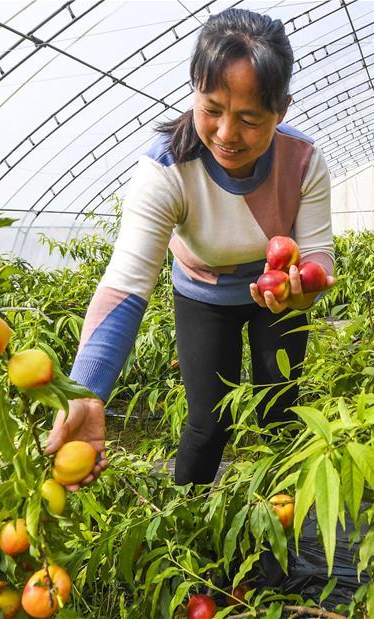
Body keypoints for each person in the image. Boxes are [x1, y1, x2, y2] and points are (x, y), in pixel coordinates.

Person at [44, 8, 335, 487]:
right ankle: (191, 526)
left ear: (280, 110)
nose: (226, 134)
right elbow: (126, 284)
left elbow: (318, 250)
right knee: (208, 420)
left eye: (249, 118)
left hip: (279, 301)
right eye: (212, 109)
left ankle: (280, 526)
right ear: (194, 91)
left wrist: (308, 285)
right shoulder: (166, 170)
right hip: (203, 295)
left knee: (280, 413)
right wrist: (86, 390)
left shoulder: (303, 161)